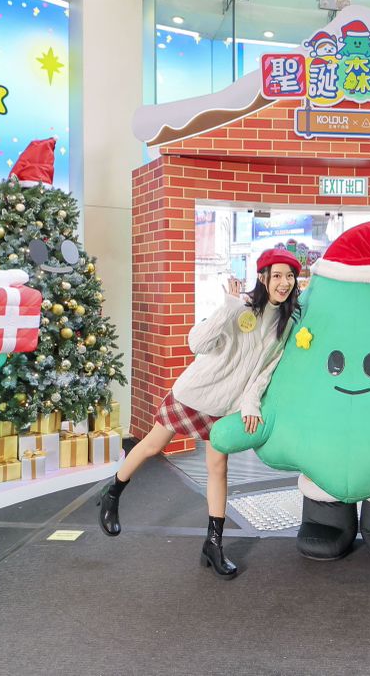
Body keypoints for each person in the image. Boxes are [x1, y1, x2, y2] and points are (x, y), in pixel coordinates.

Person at [98, 247, 303, 579]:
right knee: (152, 445)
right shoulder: (239, 307)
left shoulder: (286, 323)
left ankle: (213, 544)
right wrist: (227, 307)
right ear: (263, 277)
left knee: (218, 469)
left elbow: (265, 371)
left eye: (289, 276)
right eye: (277, 275)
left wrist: (250, 403)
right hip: (196, 393)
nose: (284, 282)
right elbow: (197, 343)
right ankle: (112, 494)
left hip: (226, 404)